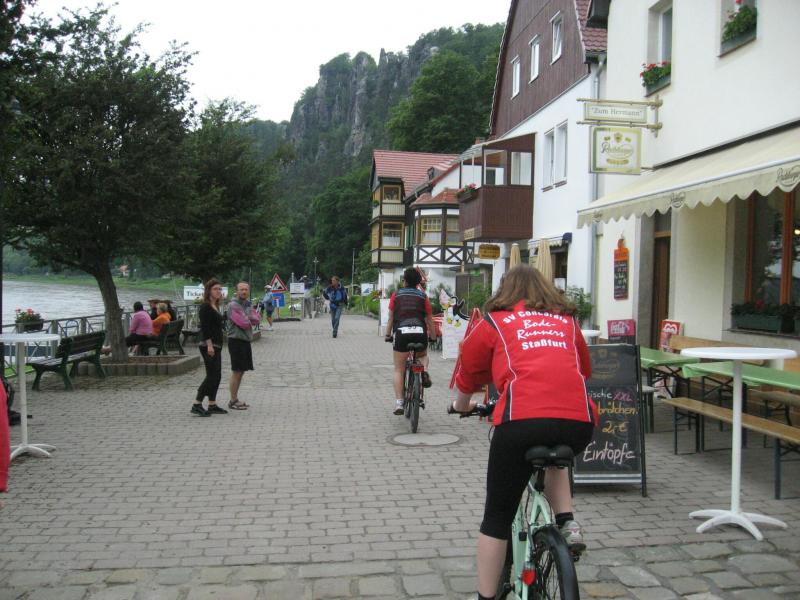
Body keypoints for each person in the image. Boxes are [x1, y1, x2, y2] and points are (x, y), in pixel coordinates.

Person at [451, 264, 596, 600]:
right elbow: (584, 369)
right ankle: (568, 522)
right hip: (578, 422)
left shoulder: (496, 321)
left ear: (505, 290)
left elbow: (469, 368)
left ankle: (486, 597)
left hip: (521, 421)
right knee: (556, 453)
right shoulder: (567, 321)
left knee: (496, 519)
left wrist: (462, 404)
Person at [384, 267, 436, 415]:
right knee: (423, 355)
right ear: (418, 282)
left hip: (402, 333)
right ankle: (424, 371)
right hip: (419, 332)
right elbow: (429, 319)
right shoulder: (423, 296)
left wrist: (388, 335)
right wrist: (433, 336)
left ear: (404, 280)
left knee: (399, 369)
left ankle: (399, 403)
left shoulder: (396, 295)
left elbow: (391, 318)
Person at [192, 279, 228, 417]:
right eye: (215, 289)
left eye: (220, 289)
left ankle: (212, 404)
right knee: (212, 376)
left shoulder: (215, 305)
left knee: (217, 375)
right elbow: (205, 328)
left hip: (217, 344)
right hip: (209, 346)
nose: (218, 291)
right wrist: (209, 345)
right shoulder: (205, 307)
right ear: (209, 291)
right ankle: (197, 403)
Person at [226, 281, 260, 410]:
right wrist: (248, 316)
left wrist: (247, 316)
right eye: (241, 289)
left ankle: (235, 399)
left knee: (241, 371)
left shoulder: (247, 304)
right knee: (237, 371)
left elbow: (257, 319)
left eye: (246, 289)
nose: (244, 291)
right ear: (237, 291)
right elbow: (244, 323)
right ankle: (233, 400)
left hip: (245, 340)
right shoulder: (233, 305)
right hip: (236, 341)